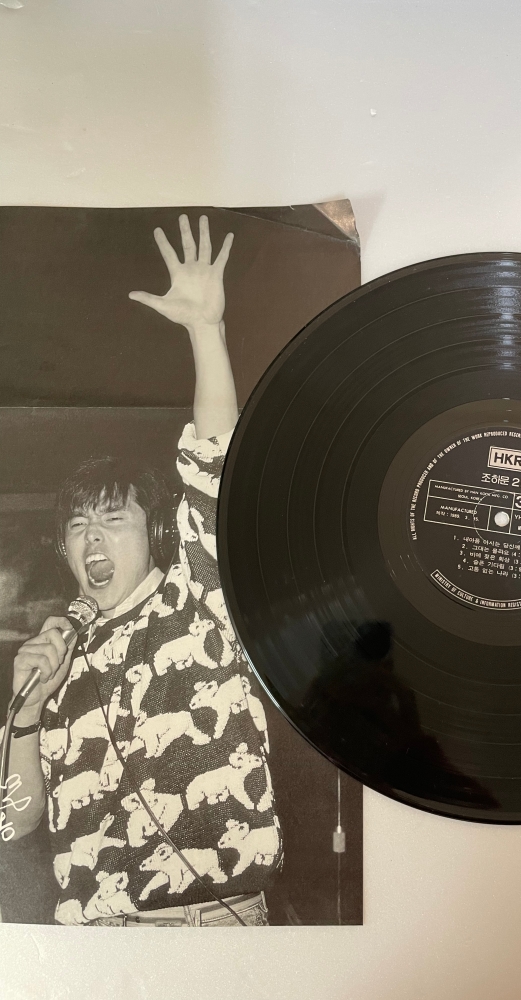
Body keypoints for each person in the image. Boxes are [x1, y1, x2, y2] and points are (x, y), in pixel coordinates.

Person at [6, 215, 282, 926]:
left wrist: (205, 332)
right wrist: (26, 716)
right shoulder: (57, 658)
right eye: (78, 526)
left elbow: (217, 460)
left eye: (113, 518)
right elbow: (13, 824)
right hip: (96, 945)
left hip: (209, 930)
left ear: (156, 534)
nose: (92, 536)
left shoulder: (201, 598)